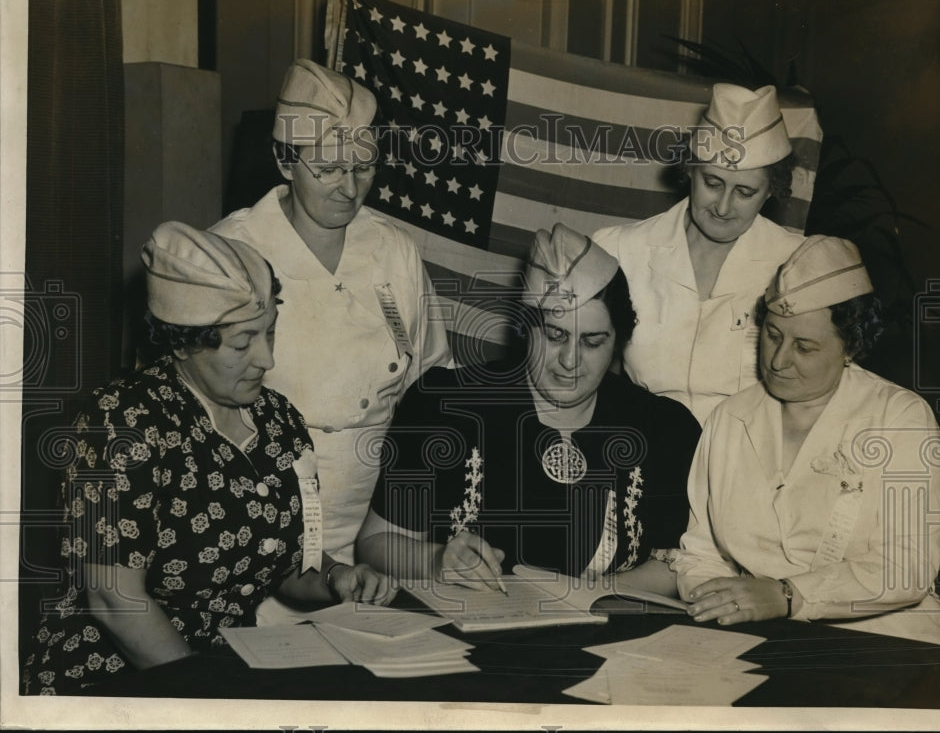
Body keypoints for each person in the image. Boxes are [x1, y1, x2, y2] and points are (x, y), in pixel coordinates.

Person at [21, 222, 396, 695]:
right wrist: (207, 695)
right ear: (182, 343)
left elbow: (287, 566)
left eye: (270, 334)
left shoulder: (280, 422)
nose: (266, 360)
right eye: (242, 344)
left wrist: (338, 578)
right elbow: (113, 599)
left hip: (227, 666)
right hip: (111, 676)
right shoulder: (119, 421)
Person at [356, 224, 701, 595]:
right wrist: (435, 561)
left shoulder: (664, 426)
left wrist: (593, 596)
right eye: (555, 336)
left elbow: (681, 561)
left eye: (592, 342)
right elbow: (377, 542)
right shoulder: (444, 405)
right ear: (526, 329)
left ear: (618, 340)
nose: (570, 361)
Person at [212, 59, 451, 565]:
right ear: (284, 160)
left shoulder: (393, 250)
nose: (349, 188)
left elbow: (432, 392)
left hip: (380, 537)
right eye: (327, 169)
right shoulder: (232, 252)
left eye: (363, 167)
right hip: (254, 535)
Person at [673, 235, 940, 649]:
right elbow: (701, 554)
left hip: (887, 640)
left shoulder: (899, 418)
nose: (778, 360)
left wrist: (788, 595)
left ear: (852, 346)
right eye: (772, 335)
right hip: (761, 637)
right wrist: (715, 604)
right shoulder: (730, 419)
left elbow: (905, 569)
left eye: (804, 347)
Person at [593, 83, 805, 426]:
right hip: (645, 447)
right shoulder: (620, 249)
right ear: (690, 169)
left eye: (745, 192)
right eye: (712, 182)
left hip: (749, 456)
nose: (723, 207)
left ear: (771, 192)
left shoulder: (798, 262)